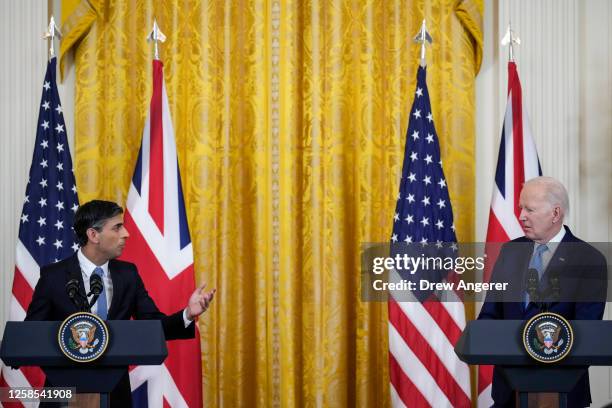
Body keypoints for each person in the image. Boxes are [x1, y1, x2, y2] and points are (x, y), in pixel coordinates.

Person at [26, 200, 216, 406]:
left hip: (115, 394)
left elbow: (152, 326)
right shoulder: (53, 276)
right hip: (63, 394)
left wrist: (188, 313)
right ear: (93, 235)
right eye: (117, 227)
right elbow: (32, 334)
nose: (126, 233)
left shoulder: (128, 274)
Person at [478, 176, 607, 408]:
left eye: (530, 209)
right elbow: (490, 316)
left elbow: (586, 332)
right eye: (520, 208)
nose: (521, 216)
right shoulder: (510, 251)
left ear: (555, 214)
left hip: (562, 393)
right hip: (508, 392)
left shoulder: (588, 259)